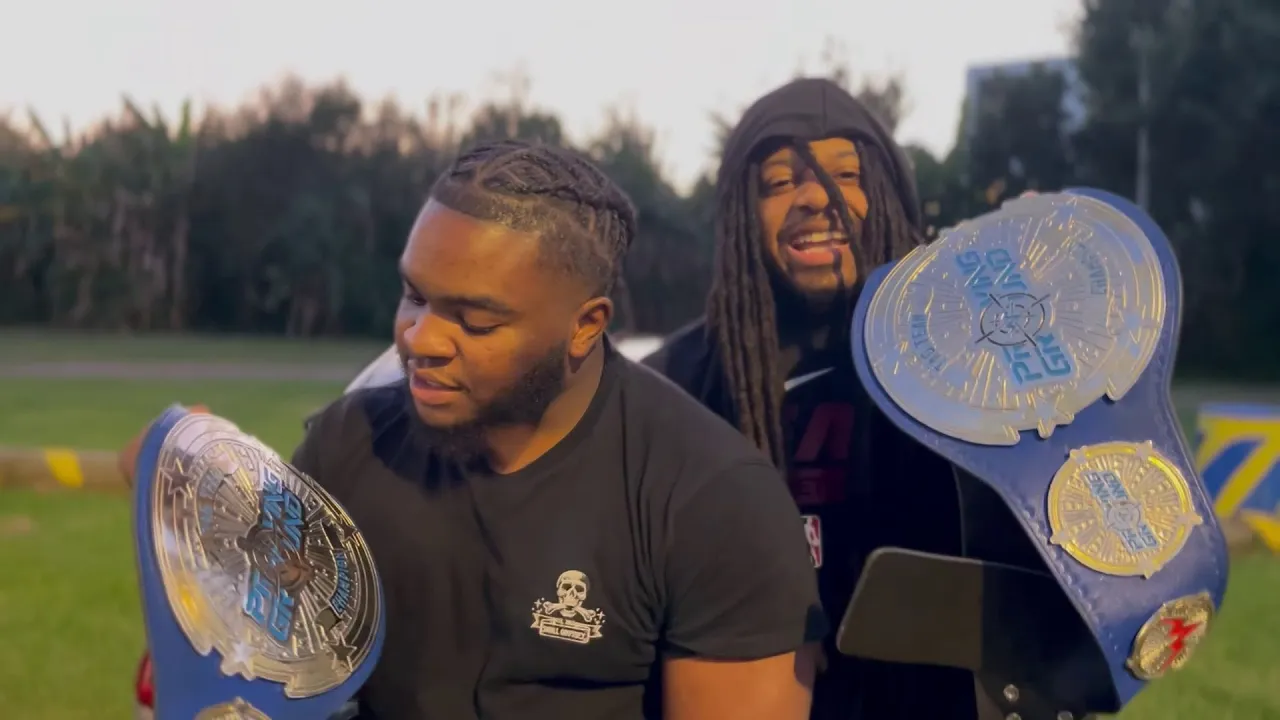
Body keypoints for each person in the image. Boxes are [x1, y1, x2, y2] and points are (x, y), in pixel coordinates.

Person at [120, 140, 824, 720]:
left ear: (585, 326)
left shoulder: (712, 502)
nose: (419, 339)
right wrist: (189, 490)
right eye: (414, 296)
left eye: (475, 320)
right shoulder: (348, 446)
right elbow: (258, 671)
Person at [643, 77, 1020, 719]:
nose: (817, 196)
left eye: (848, 175)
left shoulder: (973, 358)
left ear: (891, 196)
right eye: (779, 182)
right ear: (739, 214)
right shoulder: (674, 384)